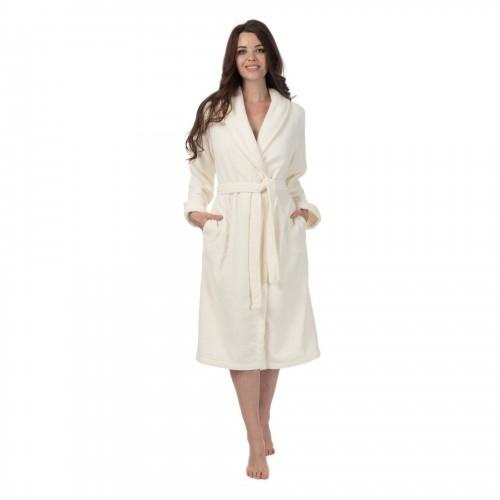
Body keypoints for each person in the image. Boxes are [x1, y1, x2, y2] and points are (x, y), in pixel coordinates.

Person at [183, 19, 321, 480]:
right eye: (242, 50)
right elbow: (200, 170)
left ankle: (262, 424)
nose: (251, 57)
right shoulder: (216, 111)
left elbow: (293, 175)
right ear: (233, 58)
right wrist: (198, 212)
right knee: (241, 335)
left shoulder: (292, 115)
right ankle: (255, 439)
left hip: (279, 228)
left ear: (270, 56)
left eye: (259, 49)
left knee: (275, 334)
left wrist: (302, 211)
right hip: (234, 229)